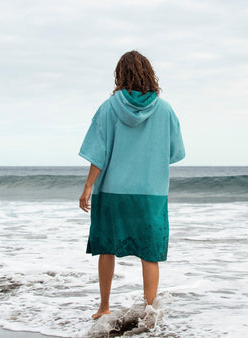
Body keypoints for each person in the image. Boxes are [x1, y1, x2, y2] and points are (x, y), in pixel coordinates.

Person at [78, 50, 185, 320]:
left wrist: (88, 187)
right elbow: (174, 153)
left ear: (120, 75)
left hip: (113, 192)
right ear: (149, 74)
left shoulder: (108, 107)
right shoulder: (165, 109)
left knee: (107, 248)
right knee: (149, 253)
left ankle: (104, 307)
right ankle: (150, 310)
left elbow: (97, 153)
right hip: (151, 194)